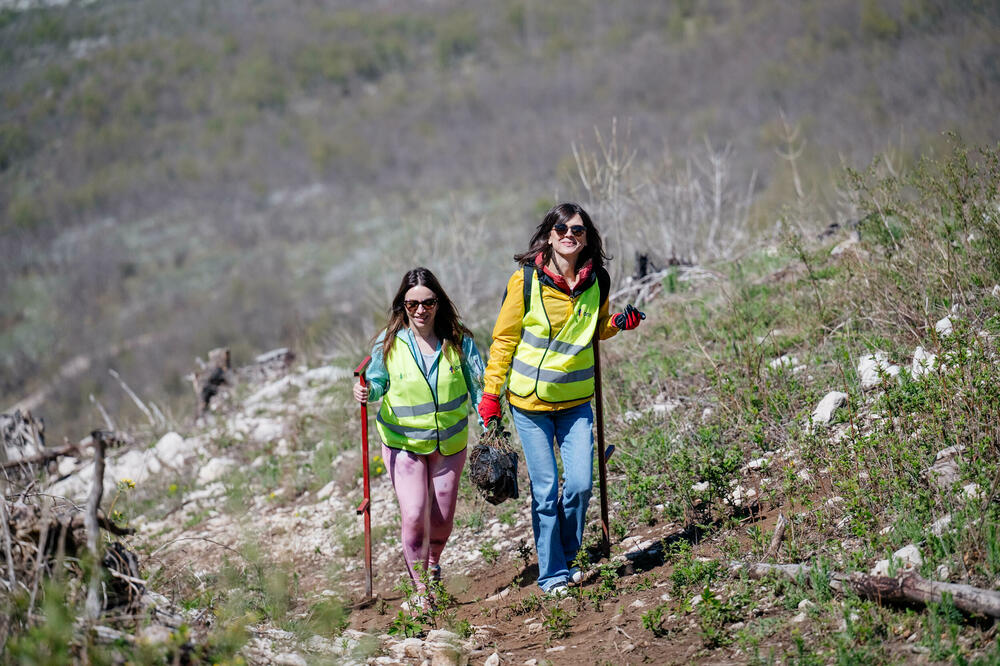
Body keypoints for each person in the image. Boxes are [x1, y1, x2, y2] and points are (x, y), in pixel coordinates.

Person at [477, 203, 644, 596]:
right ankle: (552, 575)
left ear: (587, 238)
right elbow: (504, 340)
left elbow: (595, 328)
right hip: (529, 404)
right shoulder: (526, 281)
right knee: (546, 490)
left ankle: (567, 556)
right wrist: (490, 394)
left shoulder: (597, 279)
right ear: (549, 234)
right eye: (562, 228)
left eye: (578, 230)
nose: (570, 234)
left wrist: (618, 323)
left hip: (575, 401)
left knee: (582, 485)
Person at [353, 267, 484, 606]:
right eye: (412, 304)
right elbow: (378, 379)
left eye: (428, 302)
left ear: (438, 303)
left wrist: (491, 426)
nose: (420, 310)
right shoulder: (390, 342)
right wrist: (367, 389)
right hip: (404, 445)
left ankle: (432, 564)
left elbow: (479, 387)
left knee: (441, 520)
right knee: (414, 514)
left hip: (450, 445)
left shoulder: (459, 341)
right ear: (403, 306)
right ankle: (421, 589)